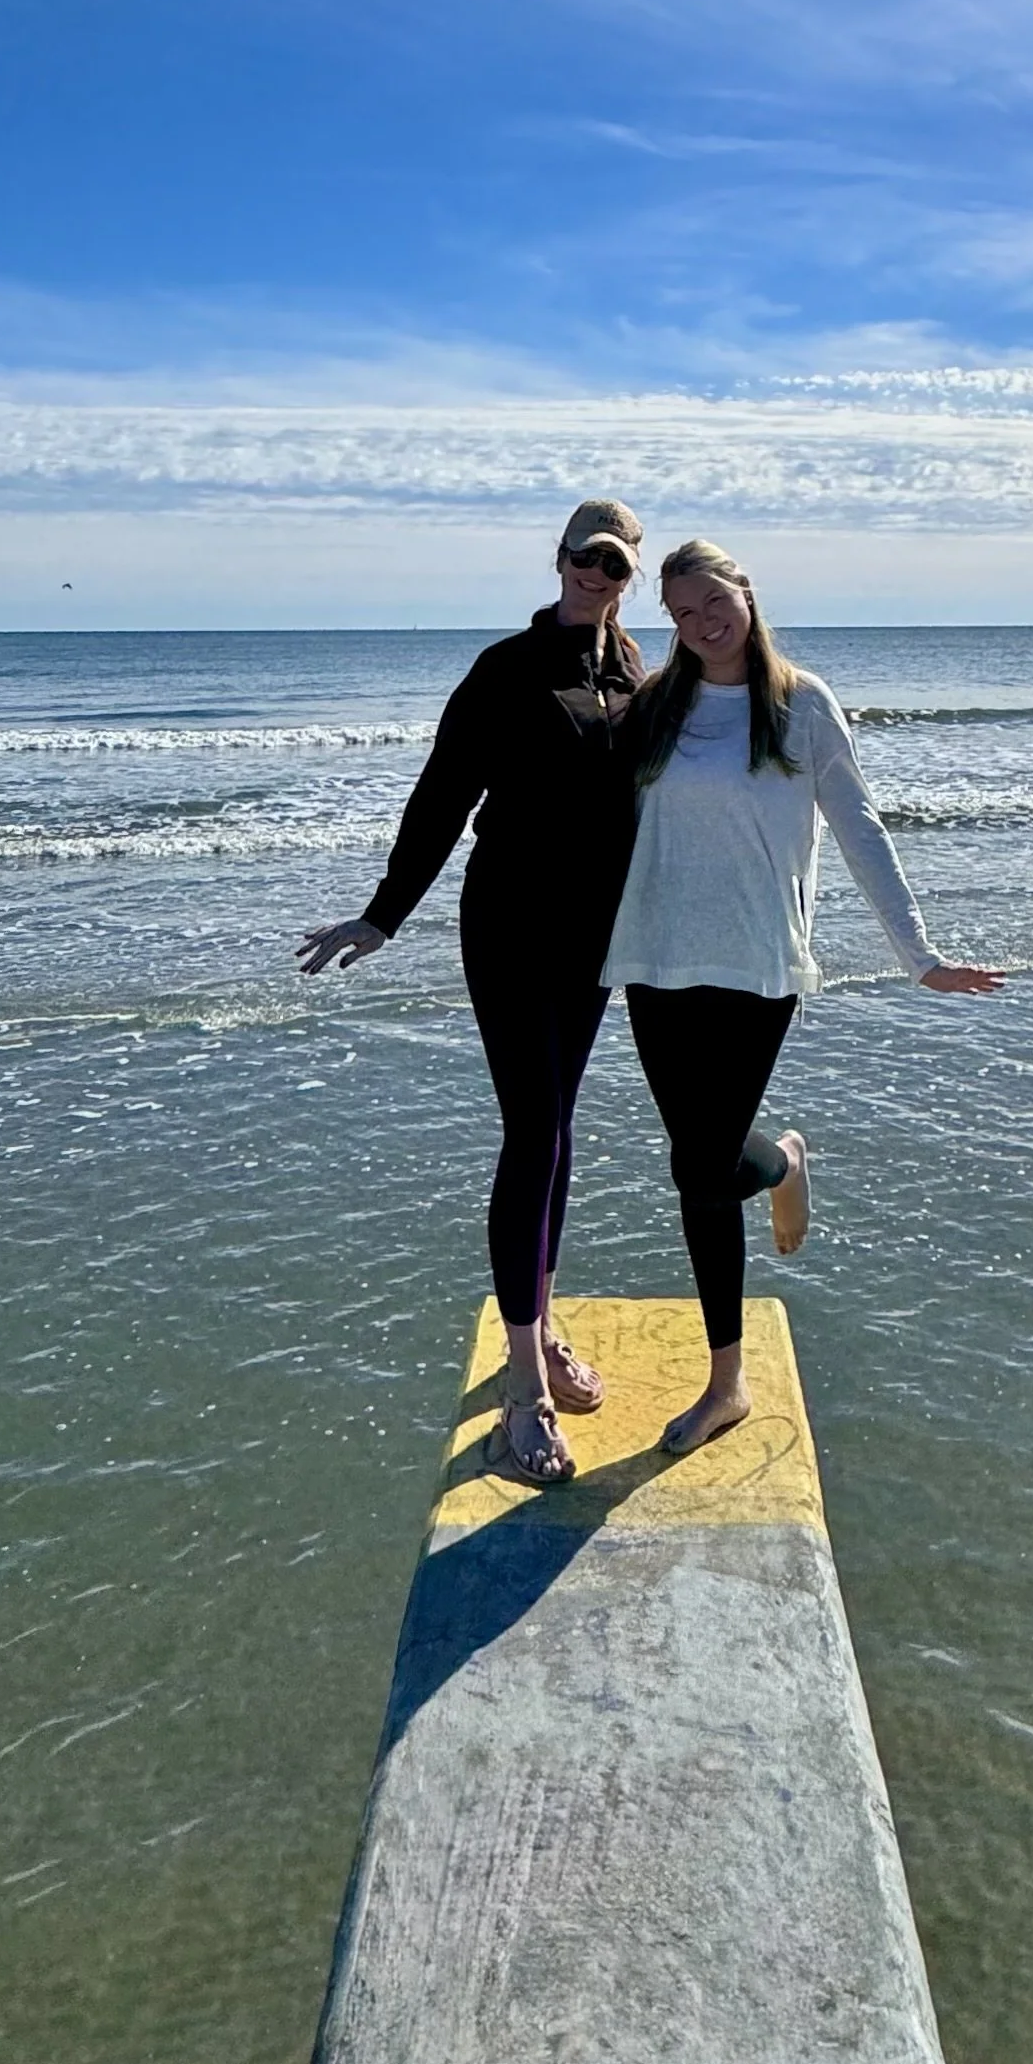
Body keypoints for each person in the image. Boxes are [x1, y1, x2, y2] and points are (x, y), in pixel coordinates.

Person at [604, 538, 1004, 1455]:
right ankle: (782, 1165)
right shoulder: (659, 706)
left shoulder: (801, 705)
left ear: (745, 592)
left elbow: (860, 828)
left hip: (759, 966)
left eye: (713, 601)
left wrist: (920, 957)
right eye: (681, 614)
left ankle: (726, 1385)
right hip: (655, 961)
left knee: (701, 1169)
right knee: (698, 1167)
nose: (702, 623)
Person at [297, 501, 648, 1485]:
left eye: (614, 563)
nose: (595, 573)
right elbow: (442, 796)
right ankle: (523, 1383)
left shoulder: (637, 676)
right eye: (583, 556)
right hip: (509, 924)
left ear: (630, 573)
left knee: (560, 1129)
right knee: (532, 1130)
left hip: (596, 935)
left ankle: (539, 1327)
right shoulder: (504, 669)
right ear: (558, 558)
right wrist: (383, 914)